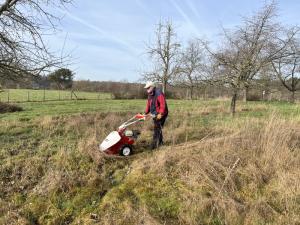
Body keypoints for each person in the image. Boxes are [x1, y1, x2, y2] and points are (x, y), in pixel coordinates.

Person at [144, 81, 168, 149]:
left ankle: (154, 145)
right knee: (158, 128)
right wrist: (145, 113)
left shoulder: (159, 93)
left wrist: (160, 114)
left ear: (152, 87)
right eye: (146, 88)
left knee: (157, 129)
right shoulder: (150, 94)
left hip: (162, 114)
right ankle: (160, 143)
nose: (147, 89)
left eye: (148, 88)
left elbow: (163, 105)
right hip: (154, 114)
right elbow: (148, 105)